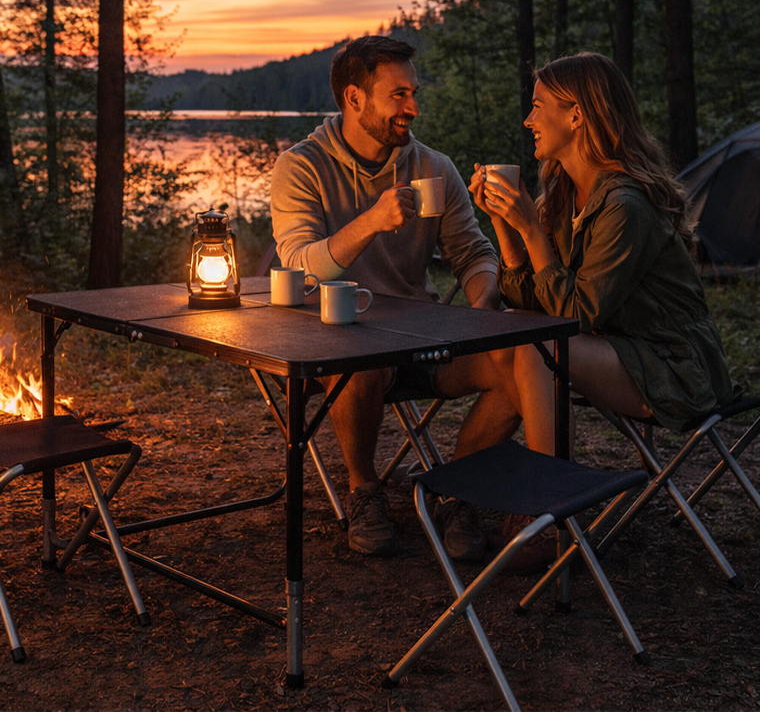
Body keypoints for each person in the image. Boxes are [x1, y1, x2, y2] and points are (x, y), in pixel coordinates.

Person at [270, 35, 522, 561]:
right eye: (397, 95)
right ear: (354, 99)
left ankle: (459, 489)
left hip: (422, 342)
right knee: (357, 360)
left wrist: (484, 311)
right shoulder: (301, 167)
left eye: (413, 93)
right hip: (336, 347)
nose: (412, 107)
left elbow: (472, 253)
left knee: (521, 365)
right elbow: (299, 263)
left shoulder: (433, 167)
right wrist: (371, 222)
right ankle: (364, 490)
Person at [468, 52, 739, 530]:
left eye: (538, 106)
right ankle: (469, 481)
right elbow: (534, 298)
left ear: (576, 114)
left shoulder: (624, 204)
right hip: (621, 351)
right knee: (518, 333)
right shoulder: (565, 194)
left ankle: (547, 508)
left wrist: (532, 231)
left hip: (675, 367)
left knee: (537, 342)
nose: (528, 119)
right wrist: (505, 226)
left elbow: (577, 313)